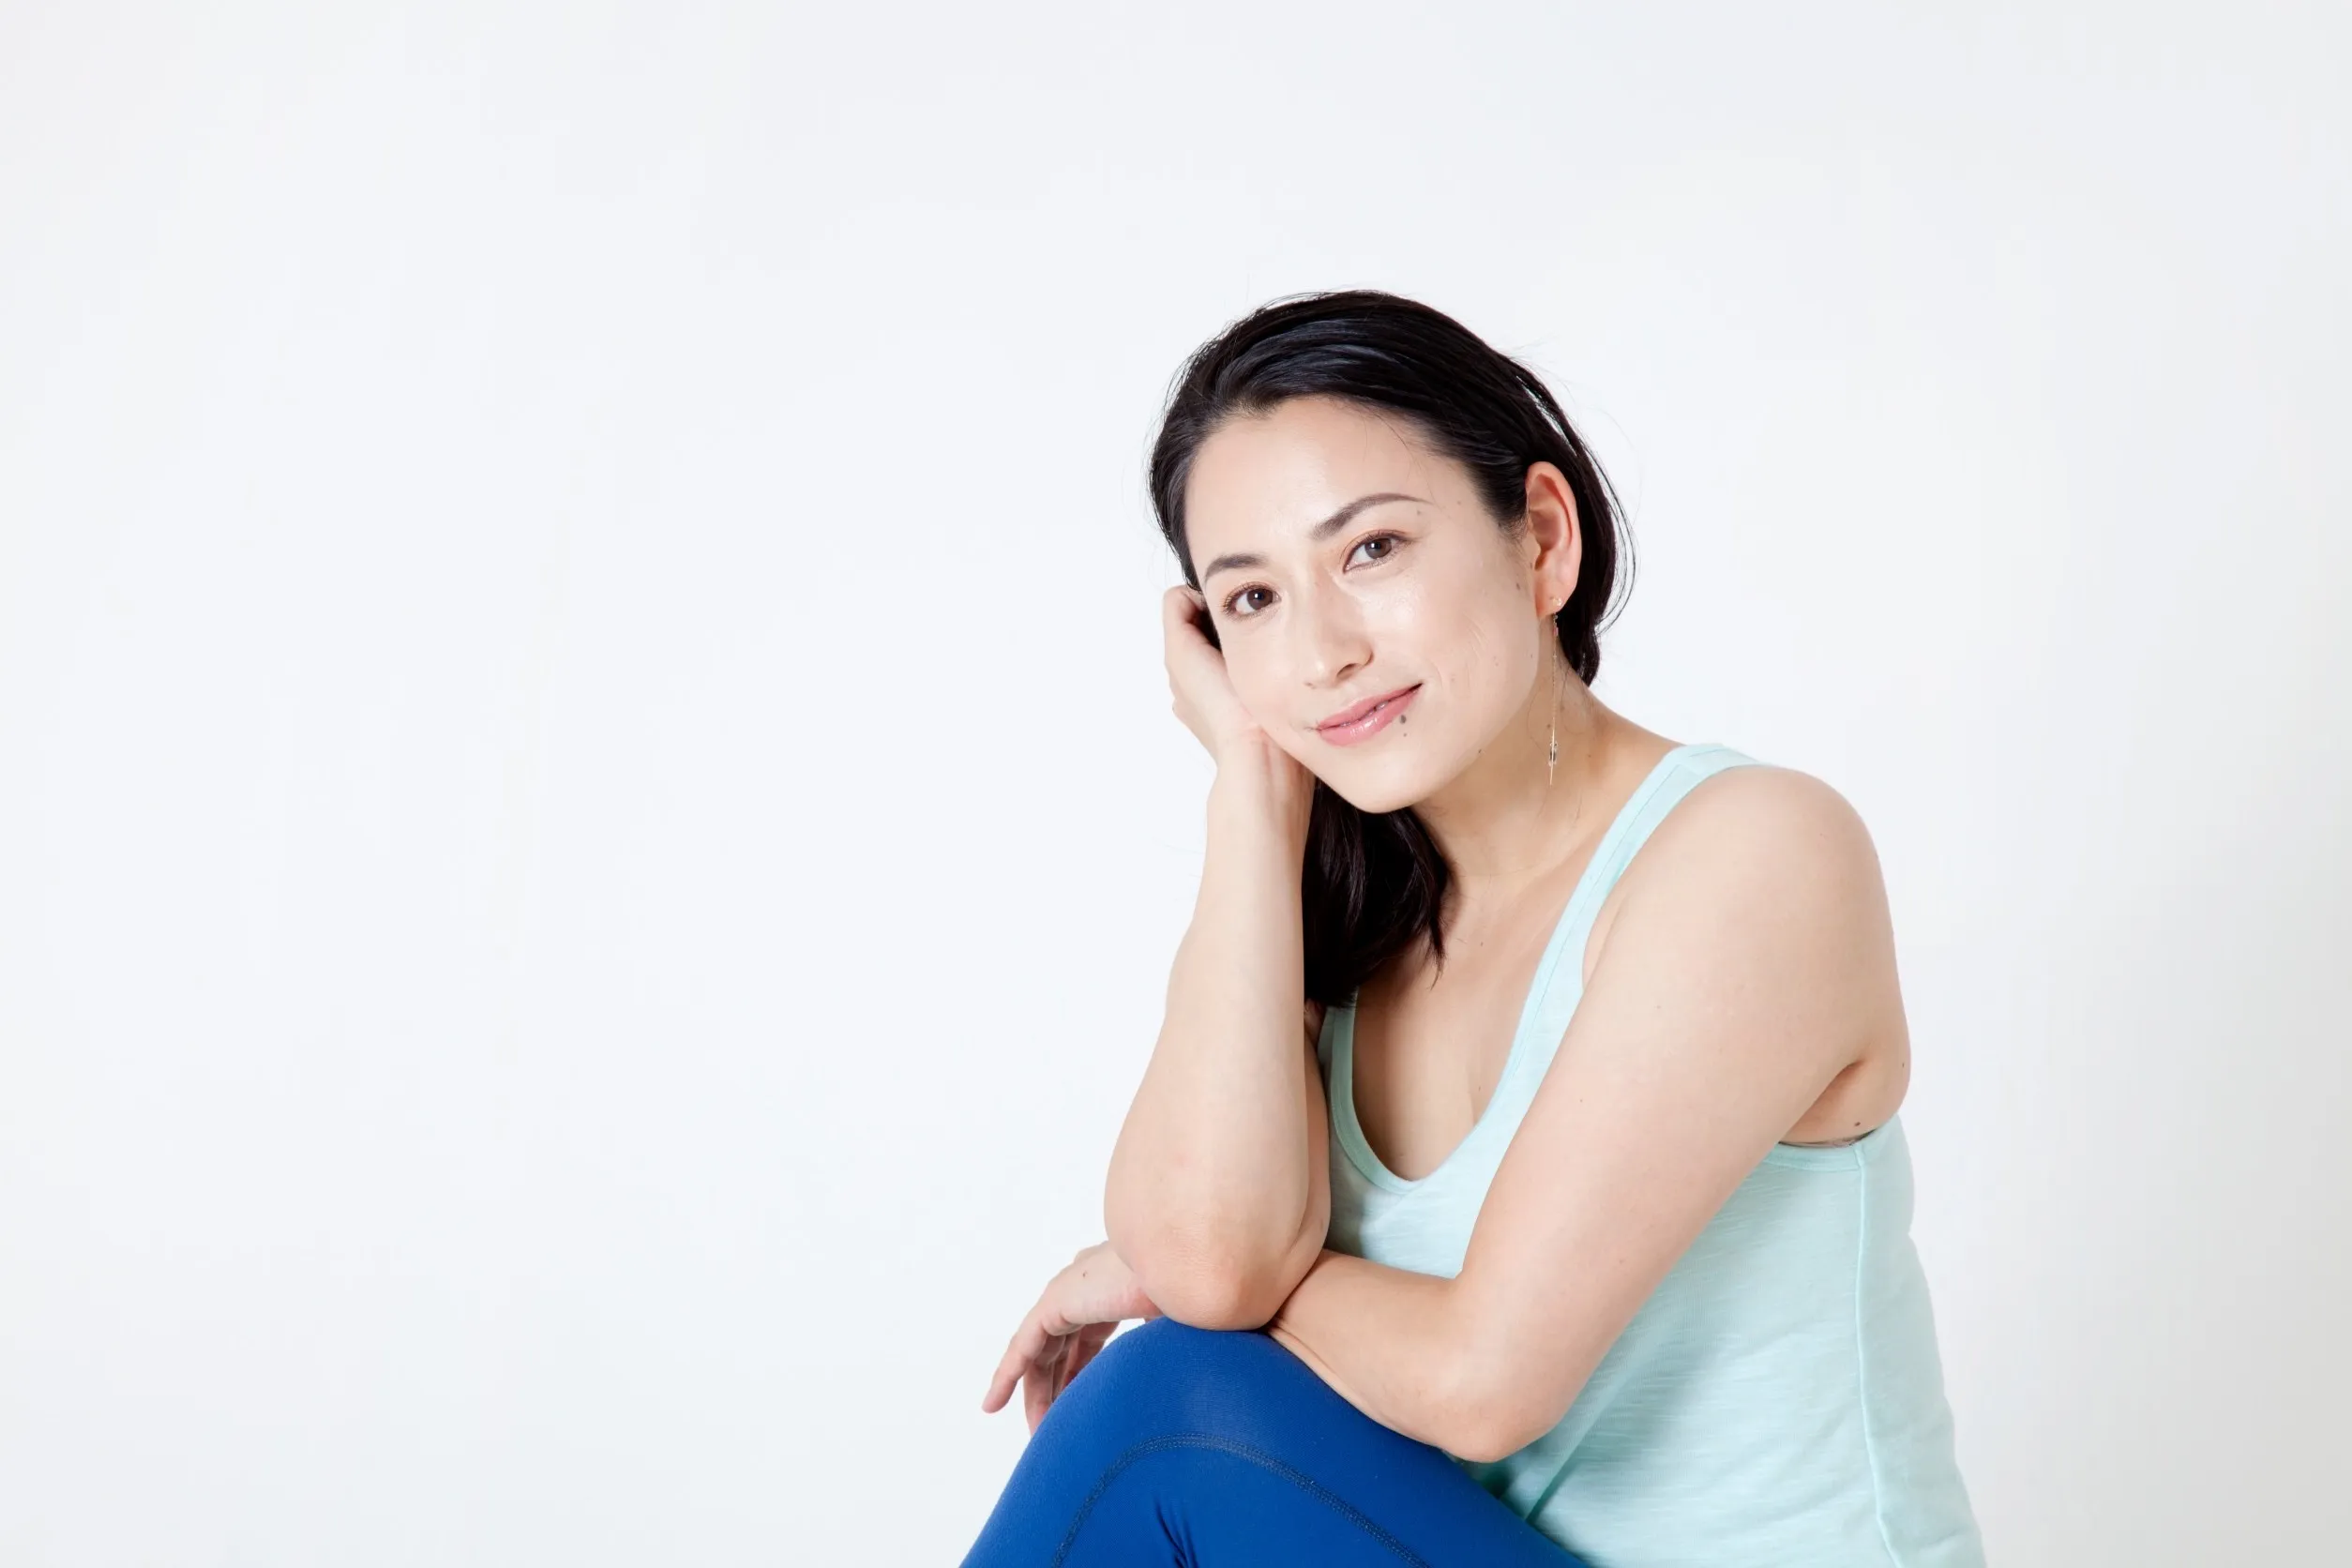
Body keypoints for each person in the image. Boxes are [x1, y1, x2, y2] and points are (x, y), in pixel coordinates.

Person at [962, 290, 1985, 1566]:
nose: (1323, 652)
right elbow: (1216, 1258)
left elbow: (1484, 1380)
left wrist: (1174, 1283)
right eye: (1253, 600)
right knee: (1172, 1389)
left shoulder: (1752, 854)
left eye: (1372, 550)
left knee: (1165, 1402)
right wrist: (1251, 791)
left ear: (1541, 538)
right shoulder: (1342, 926)